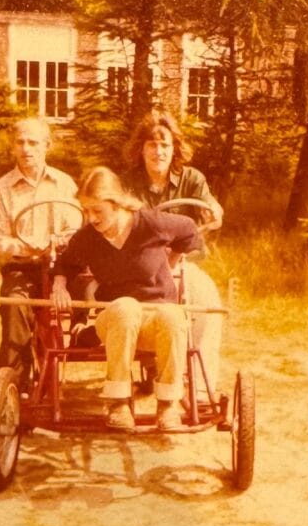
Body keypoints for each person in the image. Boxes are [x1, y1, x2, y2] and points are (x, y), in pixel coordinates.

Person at [50, 166, 203, 431]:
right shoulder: (88, 238)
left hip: (156, 321)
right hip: (114, 322)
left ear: (118, 203)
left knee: (172, 313)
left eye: (97, 210)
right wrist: (59, 285)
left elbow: (189, 230)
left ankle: (167, 405)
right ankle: (118, 402)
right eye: (86, 210)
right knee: (126, 307)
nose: (91, 218)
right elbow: (64, 263)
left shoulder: (150, 224)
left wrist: (174, 259)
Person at [122, 110, 223, 400]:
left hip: (183, 265)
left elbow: (211, 208)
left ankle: (202, 389)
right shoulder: (129, 183)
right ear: (140, 149)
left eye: (165, 145)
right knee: (130, 308)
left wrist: (214, 211)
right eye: (152, 145)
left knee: (207, 302)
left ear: (174, 148)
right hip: (142, 265)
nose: (159, 151)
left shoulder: (192, 179)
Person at [0, 117, 81, 387]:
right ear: (13, 147)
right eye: (20, 142)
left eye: (33, 143)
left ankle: (68, 351)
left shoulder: (65, 184)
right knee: (15, 307)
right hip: (22, 267)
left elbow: (76, 228)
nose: (26, 149)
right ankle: (14, 380)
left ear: (47, 146)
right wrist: (29, 247)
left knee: (87, 299)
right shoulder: (0, 189)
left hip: (60, 266)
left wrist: (58, 244)